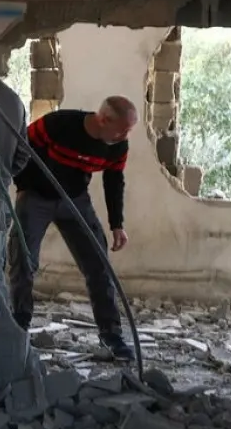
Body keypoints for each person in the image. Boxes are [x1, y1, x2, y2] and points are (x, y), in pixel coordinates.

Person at [10, 96, 138, 360]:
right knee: (23, 258)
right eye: (123, 129)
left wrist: (117, 224)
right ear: (104, 119)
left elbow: (114, 179)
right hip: (36, 197)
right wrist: (27, 186)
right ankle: (18, 327)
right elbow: (20, 150)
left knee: (98, 263)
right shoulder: (58, 125)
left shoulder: (116, 145)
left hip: (76, 200)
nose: (126, 135)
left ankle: (111, 335)